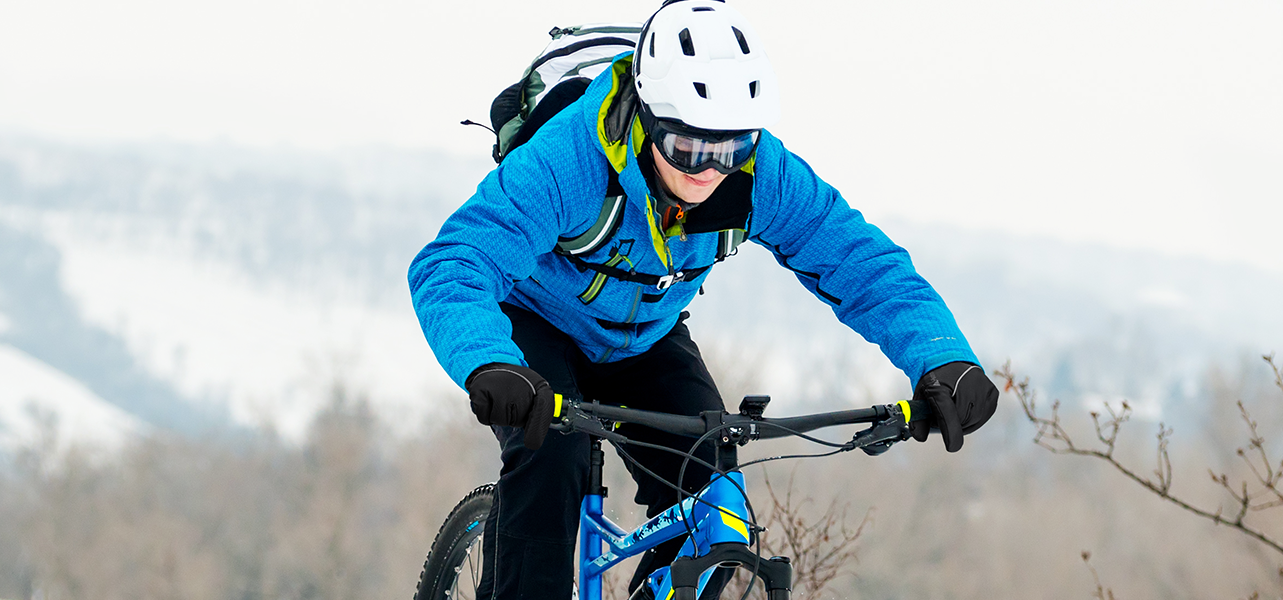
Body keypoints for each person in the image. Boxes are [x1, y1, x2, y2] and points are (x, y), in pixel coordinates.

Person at [408, 1, 1000, 598]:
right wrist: (488, 362)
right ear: (646, 116)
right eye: (689, 149)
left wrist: (941, 357)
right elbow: (453, 263)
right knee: (553, 457)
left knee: (717, 505)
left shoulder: (760, 175)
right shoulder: (570, 159)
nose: (709, 171)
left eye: (730, 149)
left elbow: (858, 261)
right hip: (534, 321)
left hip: (643, 335)